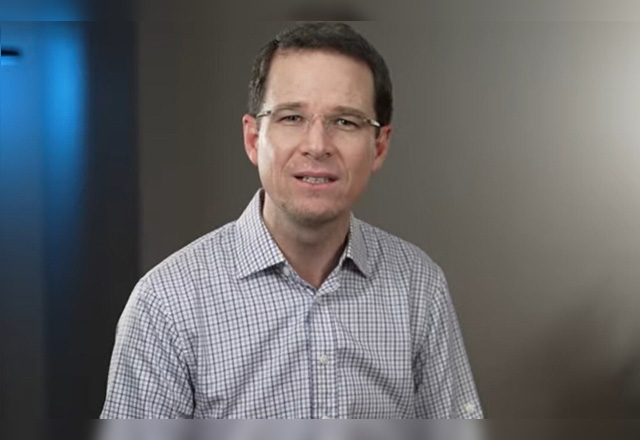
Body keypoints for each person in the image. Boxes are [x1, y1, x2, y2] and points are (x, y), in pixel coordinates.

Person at [100, 22, 482, 419]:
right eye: (291, 117)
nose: (317, 146)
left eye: (345, 122)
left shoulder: (419, 286)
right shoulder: (166, 303)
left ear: (379, 146)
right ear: (253, 139)